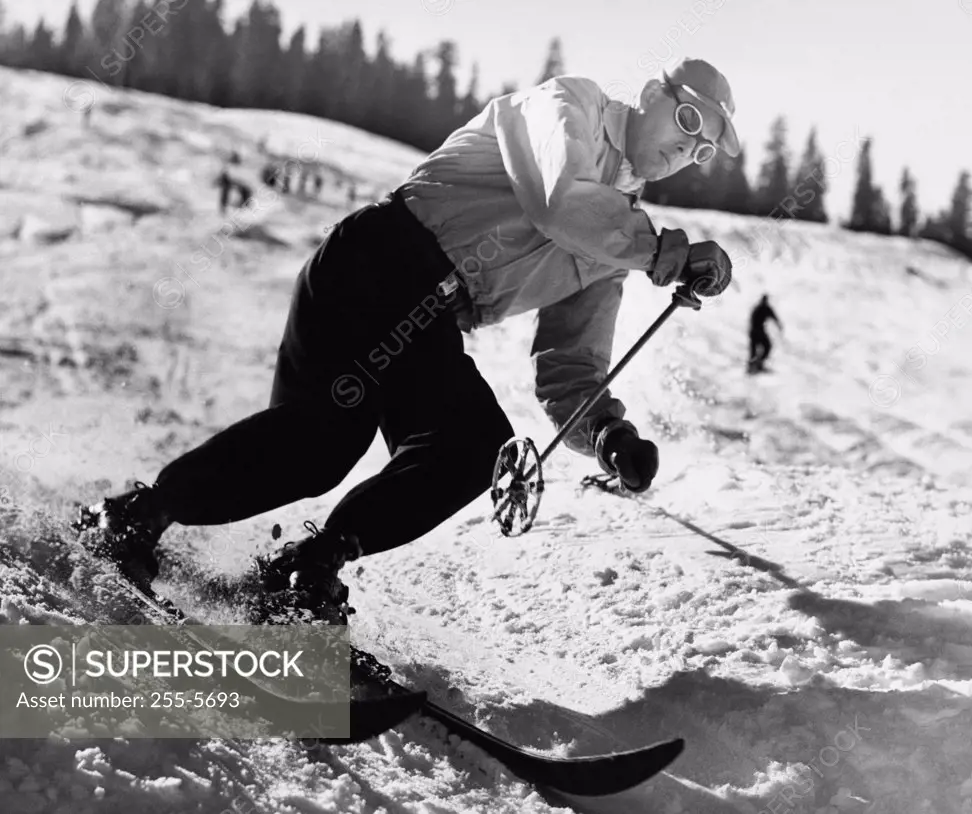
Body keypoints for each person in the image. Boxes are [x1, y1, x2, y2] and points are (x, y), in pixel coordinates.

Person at [75, 57, 739, 621]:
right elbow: (555, 200)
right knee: (323, 444)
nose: (688, 149)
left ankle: (304, 570)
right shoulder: (570, 107)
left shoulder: (623, 233)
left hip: (432, 318)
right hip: (381, 259)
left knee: (473, 448)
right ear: (653, 95)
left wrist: (609, 437)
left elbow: (571, 359)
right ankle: (136, 516)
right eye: (688, 122)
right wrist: (666, 254)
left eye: (704, 149)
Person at [747, 294, 782, 373]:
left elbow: (774, 316)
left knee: (764, 346)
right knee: (766, 345)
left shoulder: (761, 308)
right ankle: (756, 364)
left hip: (755, 331)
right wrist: (779, 324)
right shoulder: (762, 308)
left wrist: (778, 324)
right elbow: (774, 316)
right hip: (757, 331)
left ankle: (756, 364)